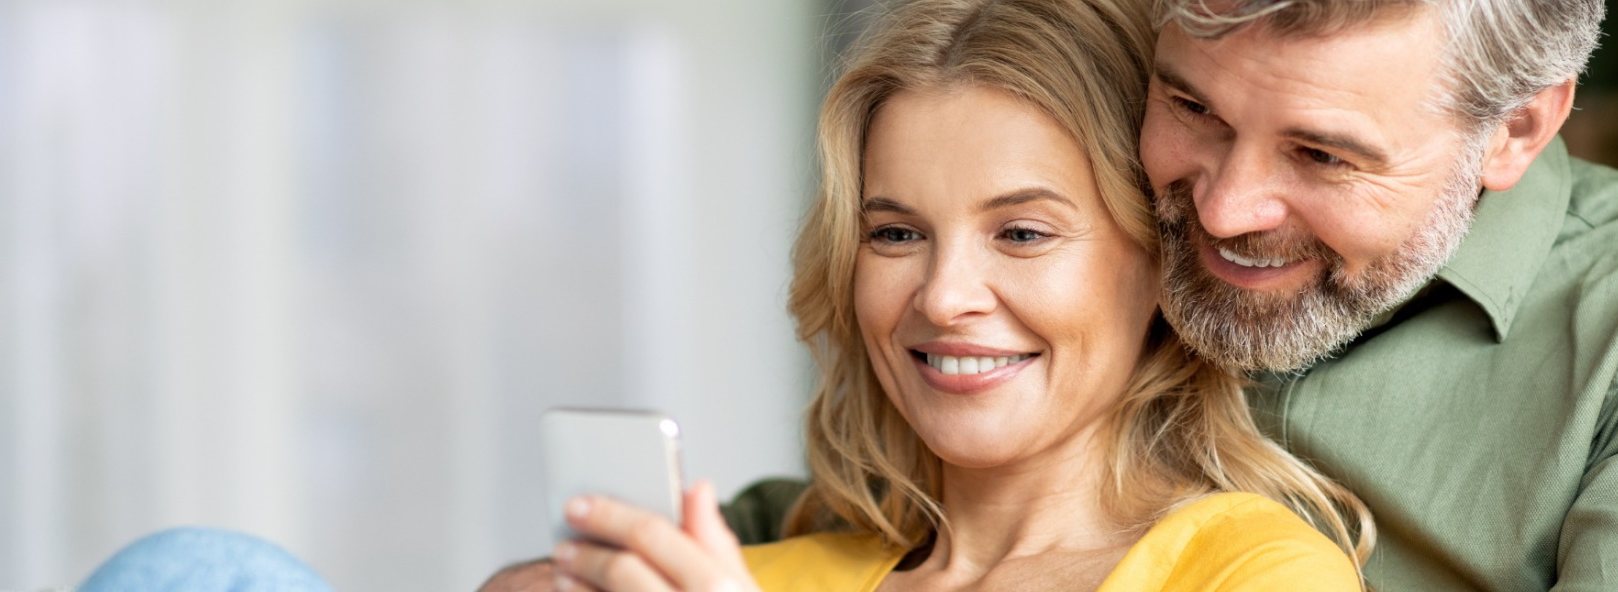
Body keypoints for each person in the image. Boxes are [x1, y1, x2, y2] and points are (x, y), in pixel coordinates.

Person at [498, 0, 1618, 590]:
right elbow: (867, 517)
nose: (1217, 209)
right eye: (1191, 109)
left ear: (1518, 130)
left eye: (1321, 155)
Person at [533, 0, 1374, 590]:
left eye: (1022, 233)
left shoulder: (1257, 576)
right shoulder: (755, 577)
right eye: (896, 234)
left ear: (1161, 259)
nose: (943, 298)